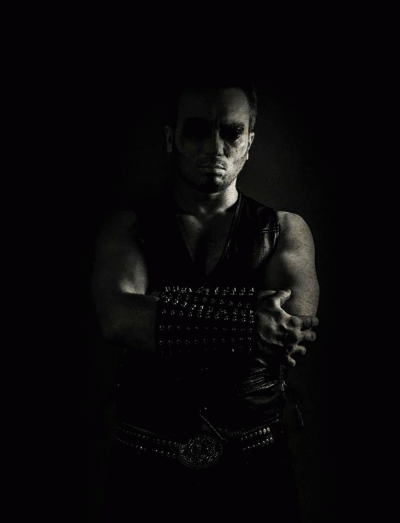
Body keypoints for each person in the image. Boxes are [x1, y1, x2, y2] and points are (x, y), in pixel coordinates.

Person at [91, 73, 320, 522]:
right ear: (171, 138)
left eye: (231, 132)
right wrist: (249, 322)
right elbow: (118, 318)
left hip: (256, 464)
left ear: (249, 142)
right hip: (146, 463)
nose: (215, 147)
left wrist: (161, 312)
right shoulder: (128, 227)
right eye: (196, 130)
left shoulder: (284, 230)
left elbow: (288, 332)